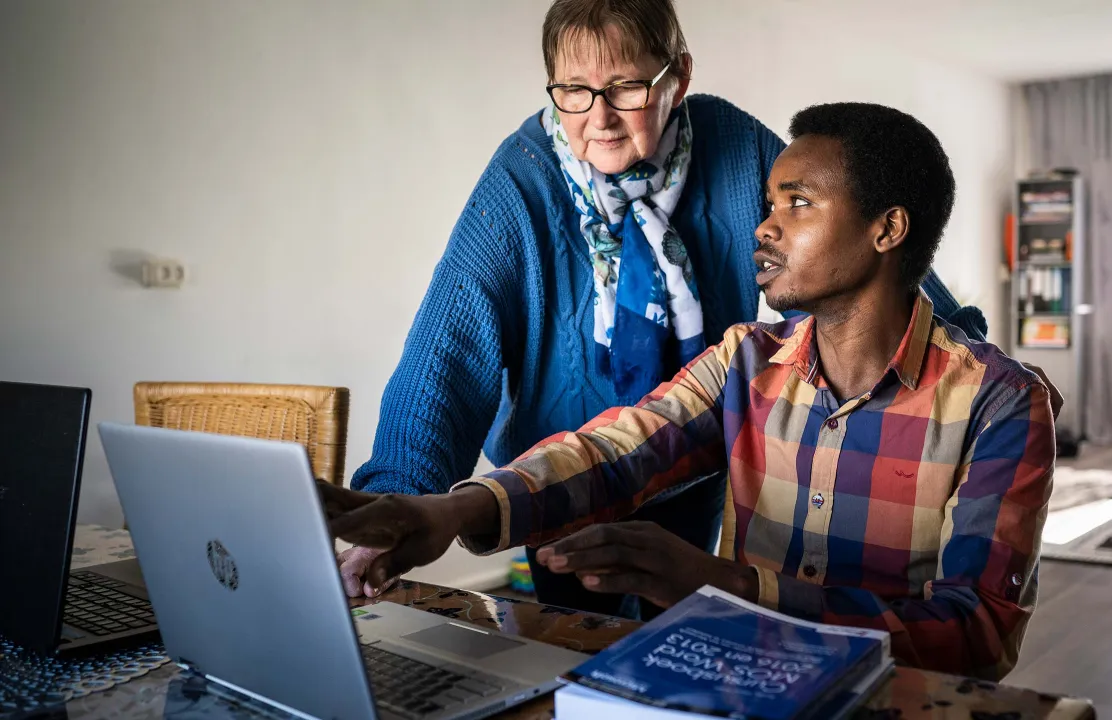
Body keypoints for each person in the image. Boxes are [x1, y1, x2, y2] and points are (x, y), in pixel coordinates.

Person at [321, 102, 1057, 680]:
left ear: (886, 229)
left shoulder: (1000, 403)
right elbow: (615, 450)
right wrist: (452, 509)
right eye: (768, 203)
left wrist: (720, 585)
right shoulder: (746, 360)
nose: (763, 227)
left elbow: (975, 635)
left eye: (797, 203)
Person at [341, 0, 997, 614]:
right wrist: (394, 499)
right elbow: (449, 348)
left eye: (626, 87)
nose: (599, 117)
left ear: (677, 77)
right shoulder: (522, 178)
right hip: (556, 482)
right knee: (576, 647)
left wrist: (960, 361)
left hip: (694, 460)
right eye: (574, 90)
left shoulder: (735, 148)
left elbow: (851, 255)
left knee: (683, 635)